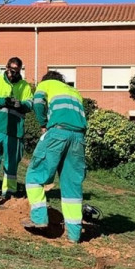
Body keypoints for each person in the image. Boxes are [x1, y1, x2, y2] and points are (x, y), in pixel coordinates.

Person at [22, 71, 87, 243]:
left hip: (57, 132)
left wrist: (43, 123)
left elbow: (37, 103)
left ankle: (38, 219)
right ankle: (74, 235)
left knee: (35, 176)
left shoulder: (47, 84)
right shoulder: (75, 92)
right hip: (79, 138)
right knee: (72, 187)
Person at [0, 57, 33, 198]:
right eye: (12, 71)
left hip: (15, 130)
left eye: (17, 71)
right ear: (6, 68)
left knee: (12, 161)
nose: (14, 74)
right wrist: (5, 101)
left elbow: (30, 104)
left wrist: (21, 105)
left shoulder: (24, 86)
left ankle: (9, 191)